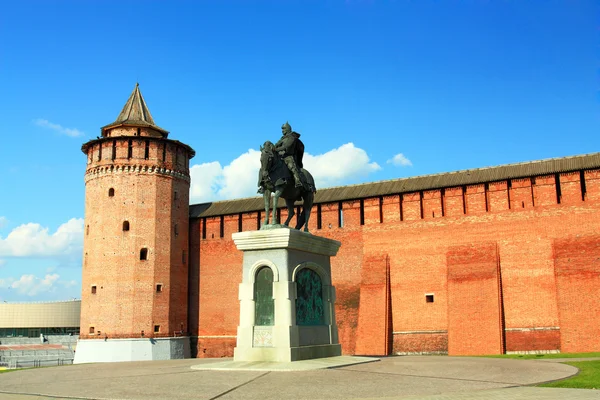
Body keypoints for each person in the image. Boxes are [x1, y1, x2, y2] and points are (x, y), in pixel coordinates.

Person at [274, 122, 304, 188]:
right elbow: (276, 144)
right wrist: (273, 147)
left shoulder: (292, 137)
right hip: (280, 156)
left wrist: (277, 149)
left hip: (288, 156)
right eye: (282, 129)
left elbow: (287, 146)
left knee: (291, 167)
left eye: (284, 129)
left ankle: (297, 181)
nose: (282, 131)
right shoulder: (282, 138)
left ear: (287, 129)